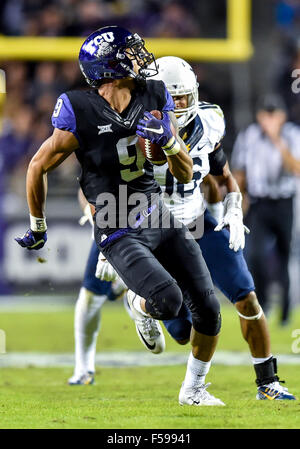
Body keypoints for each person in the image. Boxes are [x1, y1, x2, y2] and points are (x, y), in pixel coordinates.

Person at [15, 26, 225, 406]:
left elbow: (182, 172)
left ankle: (193, 391)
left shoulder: (154, 93)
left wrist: (169, 141)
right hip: (116, 225)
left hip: (156, 211)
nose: (141, 57)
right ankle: (135, 304)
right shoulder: (79, 110)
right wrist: (38, 225)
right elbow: (36, 167)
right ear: (108, 68)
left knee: (208, 310)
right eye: (131, 53)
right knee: (168, 301)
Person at [97, 57, 296, 401]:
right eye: (171, 99)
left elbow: (222, 174)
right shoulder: (131, 129)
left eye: (184, 98)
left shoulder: (210, 119)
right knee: (182, 328)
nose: (179, 106)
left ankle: (268, 381)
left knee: (246, 296)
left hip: (198, 220)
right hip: (155, 229)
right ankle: (141, 305)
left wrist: (231, 210)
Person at [231, 93, 300, 325]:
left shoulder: (291, 135)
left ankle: (286, 311)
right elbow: (240, 171)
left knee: (284, 255)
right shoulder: (249, 136)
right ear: (260, 115)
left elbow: (296, 168)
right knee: (255, 255)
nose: (269, 119)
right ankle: (263, 304)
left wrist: (277, 140)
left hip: (284, 200)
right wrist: (239, 200)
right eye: (266, 114)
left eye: (274, 114)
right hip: (259, 203)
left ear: (282, 116)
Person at [68, 189, 127, 385]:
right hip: (112, 223)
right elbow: (84, 190)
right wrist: (94, 219)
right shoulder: (99, 160)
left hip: (152, 220)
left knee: (177, 332)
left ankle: (131, 287)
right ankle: (83, 368)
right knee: (90, 296)